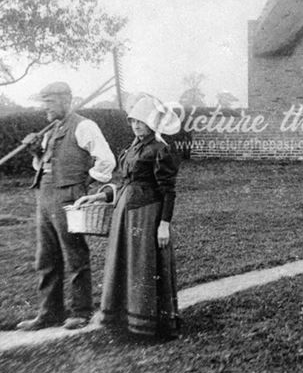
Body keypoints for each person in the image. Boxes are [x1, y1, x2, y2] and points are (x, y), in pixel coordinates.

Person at [78, 94, 182, 338]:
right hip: (125, 212)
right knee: (124, 263)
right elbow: (125, 183)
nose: (136, 126)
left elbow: (168, 191)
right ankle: (123, 320)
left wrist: (164, 225)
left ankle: (146, 323)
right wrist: (98, 196)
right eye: (133, 121)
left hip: (146, 215)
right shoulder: (133, 147)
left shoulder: (160, 150)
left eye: (141, 122)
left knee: (142, 265)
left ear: (152, 124)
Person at [16, 82, 115, 331]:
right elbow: (42, 166)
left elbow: (106, 160)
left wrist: (83, 184)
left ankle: (81, 312)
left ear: (65, 101)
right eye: (44, 102)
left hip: (69, 196)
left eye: (49, 102)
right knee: (46, 256)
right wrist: (34, 151)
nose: (45, 108)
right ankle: (50, 313)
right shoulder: (50, 130)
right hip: (45, 196)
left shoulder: (84, 126)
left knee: (74, 253)